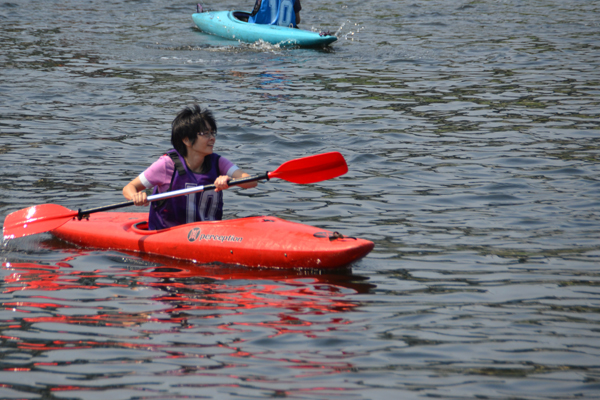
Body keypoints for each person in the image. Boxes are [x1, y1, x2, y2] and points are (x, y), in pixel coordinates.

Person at [123, 105, 257, 230]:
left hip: (209, 235)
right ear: (186, 140)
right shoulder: (167, 165)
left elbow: (251, 181)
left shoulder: (217, 162)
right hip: (167, 235)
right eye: (205, 134)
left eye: (212, 133)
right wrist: (135, 196)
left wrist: (230, 182)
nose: (212, 138)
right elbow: (129, 188)